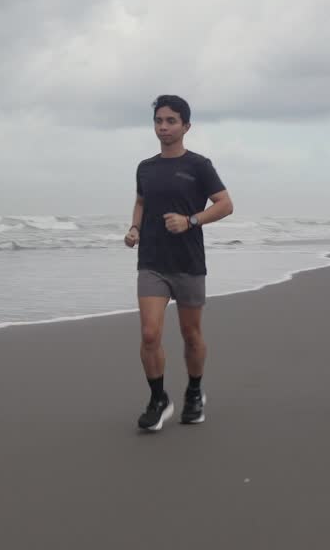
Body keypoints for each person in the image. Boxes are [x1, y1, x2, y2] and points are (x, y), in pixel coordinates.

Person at [124, 95, 233, 431]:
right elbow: (141, 201)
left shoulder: (199, 165)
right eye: (159, 121)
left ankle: (195, 391)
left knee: (191, 334)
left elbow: (225, 204)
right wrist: (134, 228)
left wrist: (191, 221)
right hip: (152, 261)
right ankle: (158, 399)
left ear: (186, 126)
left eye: (171, 121)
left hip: (187, 262)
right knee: (149, 333)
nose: (163, 127)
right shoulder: (146, 167)